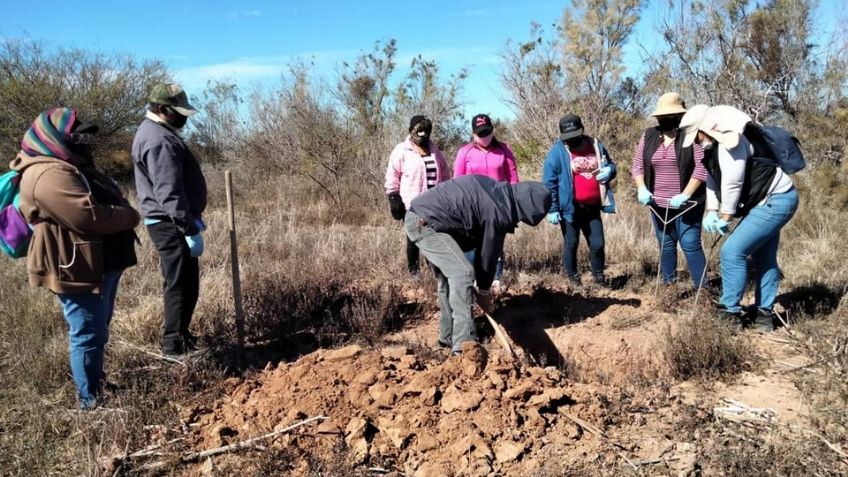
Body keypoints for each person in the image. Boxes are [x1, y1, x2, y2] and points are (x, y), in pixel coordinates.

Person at [11, 107, 140, 409]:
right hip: (74, 267)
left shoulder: (70, 165)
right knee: (86, 332)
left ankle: (97, 383)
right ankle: (90, 401)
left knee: (97, 328)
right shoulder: (48, 172)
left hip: (95, 264)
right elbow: (86, 217)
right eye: (77, 136)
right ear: (52, 136)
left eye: (85, 136)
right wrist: (129, 215)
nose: (84, 142)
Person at [681, 105, 799, 328]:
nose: (696, 143)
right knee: (763, 257)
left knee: (732, 251)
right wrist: (712, 211)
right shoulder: (712, 149)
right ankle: (764, 316)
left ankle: (730, 312)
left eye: (696, 137)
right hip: (766, 202)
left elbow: (732, 182)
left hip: (776, 200)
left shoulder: (731, 145)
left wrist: (726, 217)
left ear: (704, 130)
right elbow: (713, 180)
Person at [404, 175, 550, 355]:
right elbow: (488, 255)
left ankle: (447, 339)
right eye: (522, 218)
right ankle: (464, 348)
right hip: (426, 224)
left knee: (448, 280)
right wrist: (483, 291)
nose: (519, 221)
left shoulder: (499, 195)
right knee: (462, 274)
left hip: (424, 217)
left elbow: (486, 251)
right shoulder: (498, 211)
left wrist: (483, 289)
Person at [132, 84, 208, 356]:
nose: (185, 118)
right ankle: (173, 348)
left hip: (172, 221)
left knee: (187, 282)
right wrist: (187, 226)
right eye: (179, 112)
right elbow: (168, 191)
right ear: (163, 109)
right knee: (179, 284)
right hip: (170, 223)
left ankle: (182, 337)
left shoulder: (159, 132)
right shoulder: (158, 140)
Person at [631, 93, 708, 288]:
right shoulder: (649, 136)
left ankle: (703, 289)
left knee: (690, 243)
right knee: (665, 244)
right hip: (657, 203)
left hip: (687, 204)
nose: (666, 119)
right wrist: (642, 189)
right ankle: (669, 286)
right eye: (663, 116)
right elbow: (638, 166)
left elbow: (702, 167)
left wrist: (686, 194)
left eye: (672, 115)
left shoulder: (690, 135)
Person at [542, 113, 616, 289]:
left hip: (592, 207)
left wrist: (610, 171)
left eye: (574, 136)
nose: (571, 140)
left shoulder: (596, 146)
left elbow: (611, 165)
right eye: (567, 137)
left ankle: (599, 279)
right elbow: (549, 182)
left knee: (597, 244)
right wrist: (552, 208)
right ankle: (574, 281)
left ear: (582, 130)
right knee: (571, 243)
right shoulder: (557, 151)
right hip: (570, 208)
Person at [453, 113, 519, 289]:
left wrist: (513, 203)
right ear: (473, 134)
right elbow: (457, 181)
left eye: (487, 132)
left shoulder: (504, 150)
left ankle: (495, 279)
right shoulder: (464, 152)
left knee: (495, 243)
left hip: (499, 206)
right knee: (472, 245)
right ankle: (472, 280)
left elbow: (513, 177)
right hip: (472, 208)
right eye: (480, 133)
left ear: (492, 130)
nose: (484, 137)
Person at [384, 115, 450, 276]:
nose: (422, 133)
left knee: (433, 238)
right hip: (411, 203)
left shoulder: (435, 150)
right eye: (419, 130)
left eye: (426, 130)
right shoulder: (401, 150)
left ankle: (435, 271)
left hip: (434, 204)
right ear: (412, 130)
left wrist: (448, 195)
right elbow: (392, 174)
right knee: (413, 238)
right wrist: (393, 196)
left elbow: (445, 174)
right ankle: (414, 273)